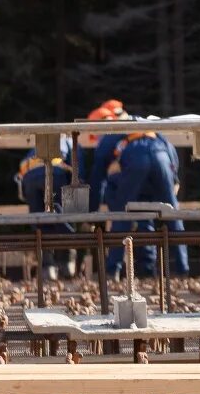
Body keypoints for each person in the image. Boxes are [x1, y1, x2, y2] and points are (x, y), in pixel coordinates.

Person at [88, 101, 189, 278]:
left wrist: (92, 209)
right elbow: (170, 148)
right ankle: (182, 269)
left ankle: (113, 270)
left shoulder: (114, 129)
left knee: (121, 213)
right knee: (173, 214)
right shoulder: (149, 126)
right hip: (162, 159)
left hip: (135, 160)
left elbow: (98, 172)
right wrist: (174, 179)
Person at [14, 134, 76, 279]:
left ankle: (48, 267)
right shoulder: (70, 140)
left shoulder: (39, 143)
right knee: (62, 217)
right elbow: (78, 165)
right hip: (54, 173)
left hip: (29, 177)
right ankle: (67, 261)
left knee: (40, 221)